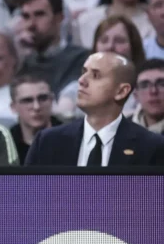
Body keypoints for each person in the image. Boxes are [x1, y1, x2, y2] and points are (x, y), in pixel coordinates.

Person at [25, 51, 164, 166]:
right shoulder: (47, 142)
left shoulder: (152, 147)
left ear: (121, 91)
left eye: (95, 75)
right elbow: (28, 191)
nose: (81, 80)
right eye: (83, 72)